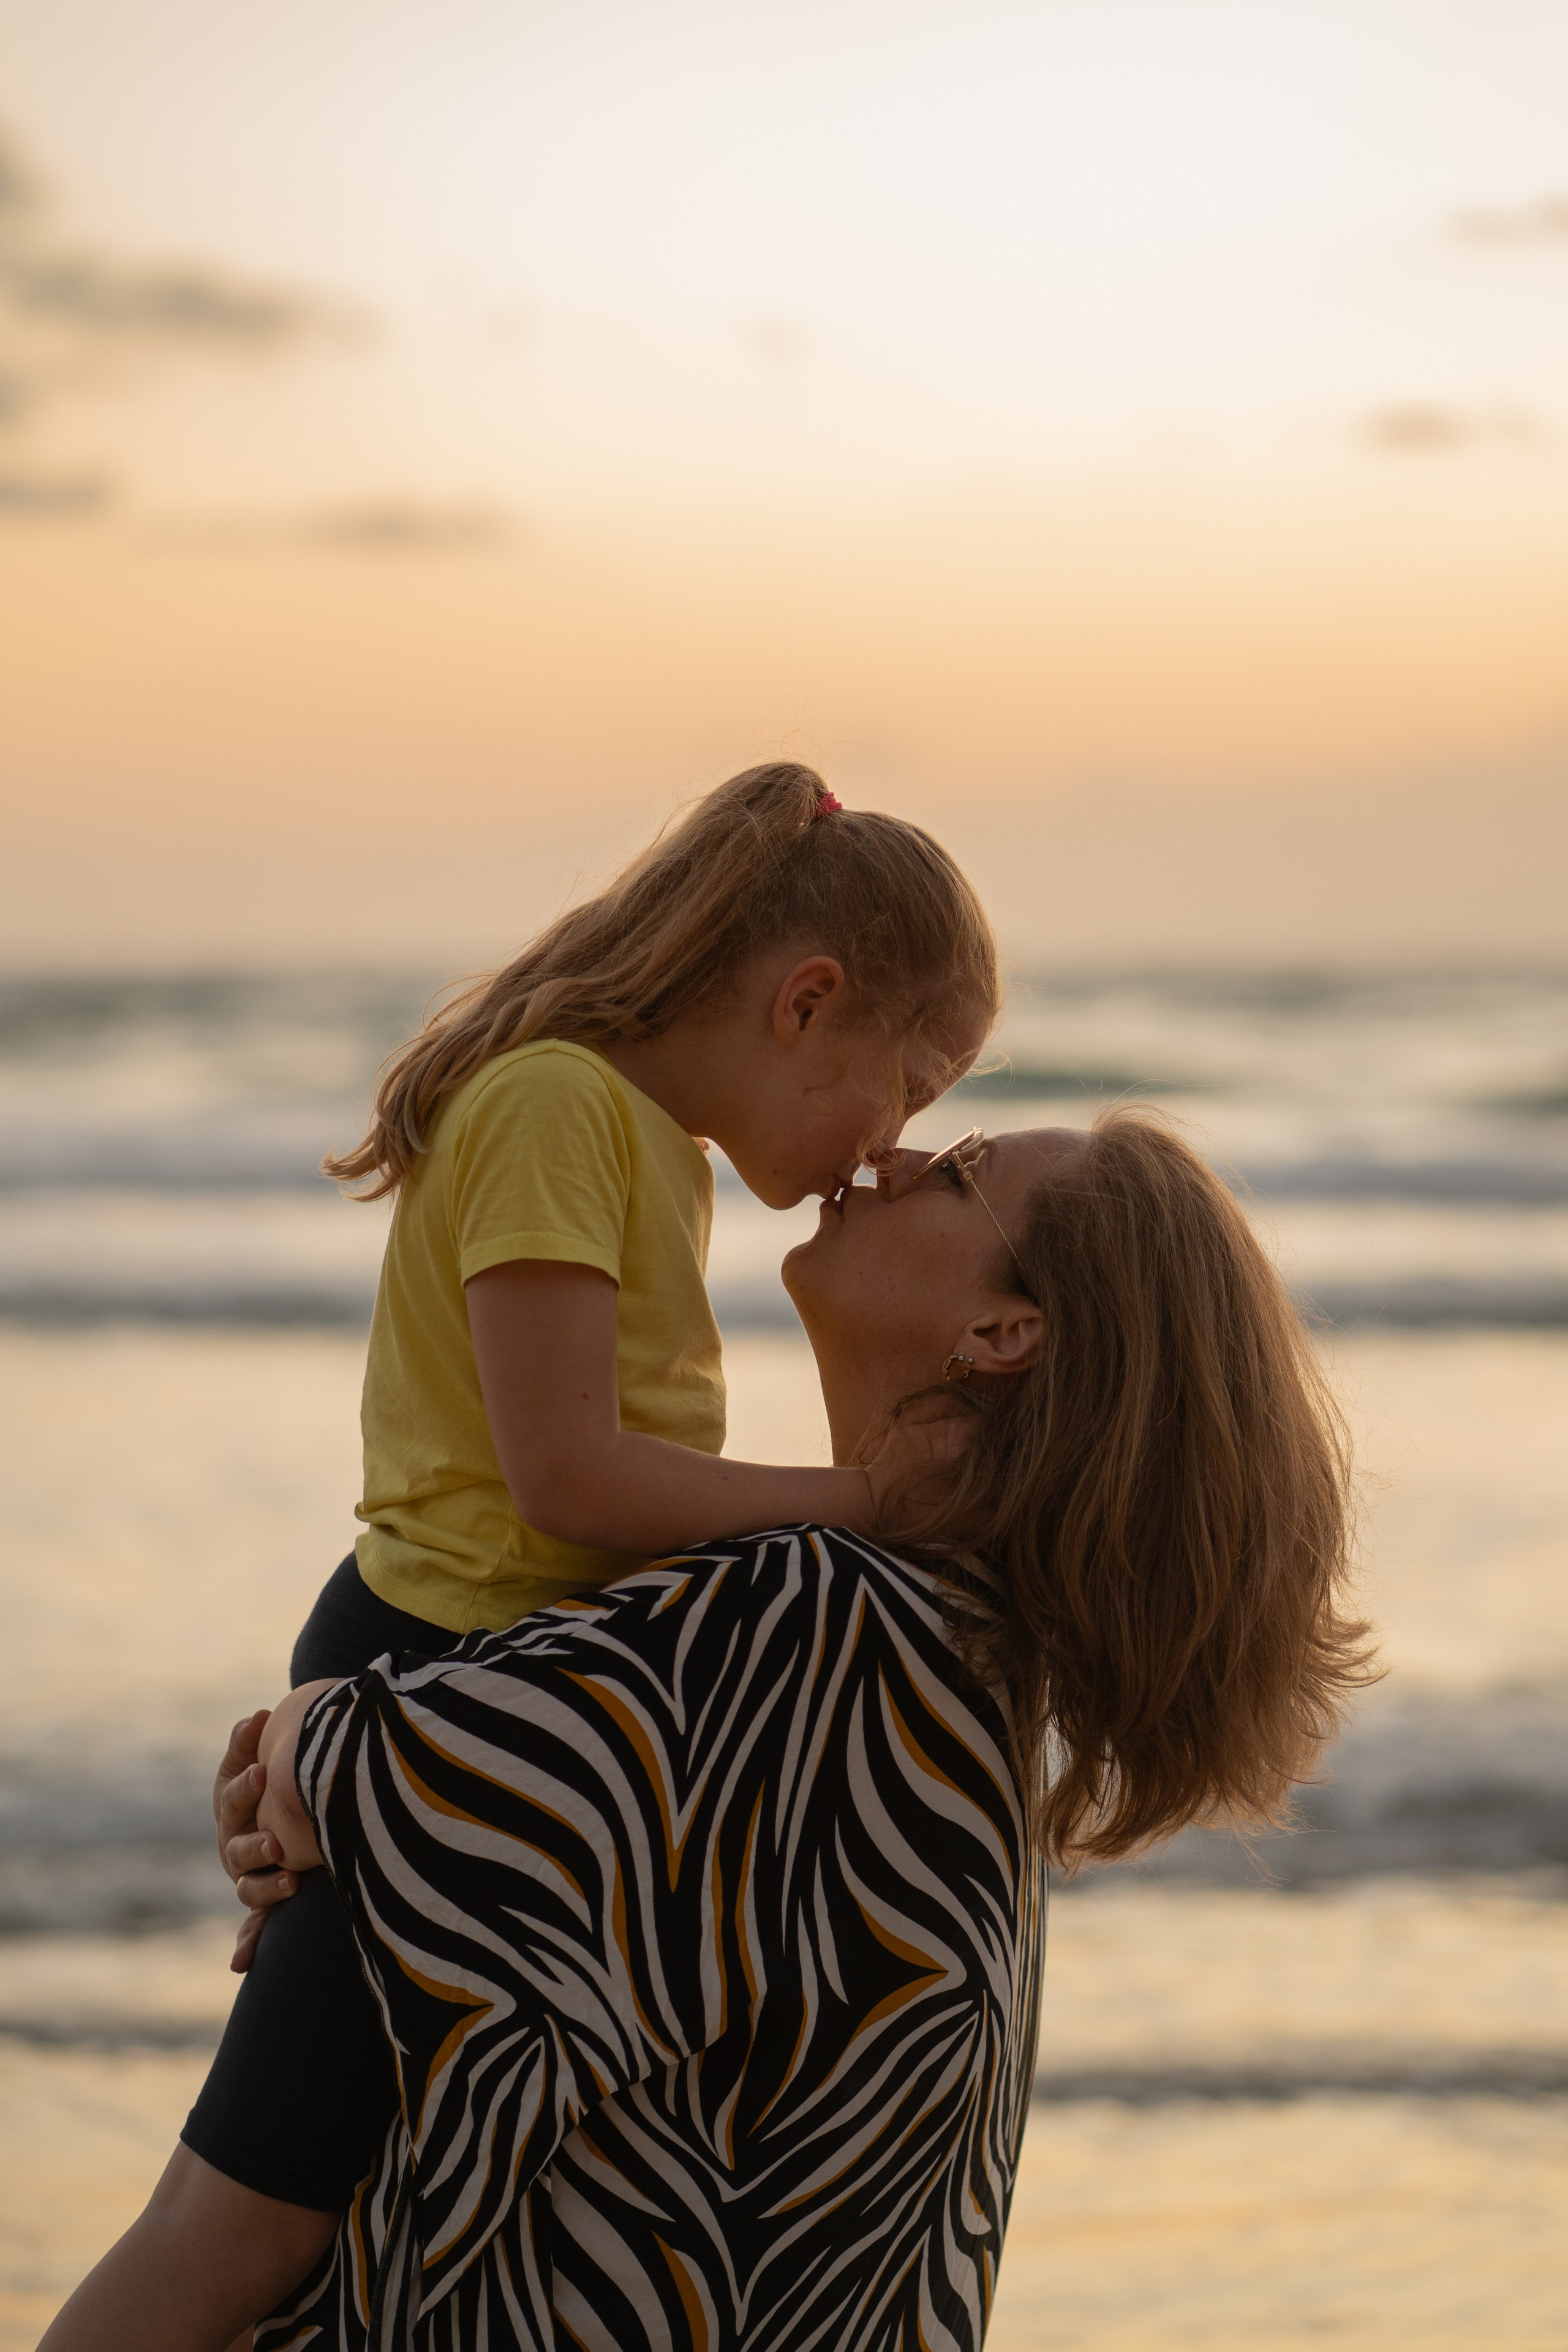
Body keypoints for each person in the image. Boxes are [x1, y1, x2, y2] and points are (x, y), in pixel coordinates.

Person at [42, 1110, 1370, 2351]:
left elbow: (382, 1778)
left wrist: (311, 1726)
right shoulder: (962, 1661)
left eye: (960, 1169)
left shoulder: (828, 1618)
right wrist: (319, 1765)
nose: (896, 1158)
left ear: (1002, 1333)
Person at [148, 763, 997, 2229]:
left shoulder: (655, 1145)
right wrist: (865, 1496)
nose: (889, 1144)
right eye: (911, 1087)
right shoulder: (557, 1108)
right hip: (432, 1672)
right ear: (805, 1002)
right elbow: (568, 1479)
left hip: (497, 1684)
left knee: (373, 2222)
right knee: (228, 2241)